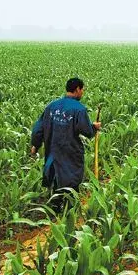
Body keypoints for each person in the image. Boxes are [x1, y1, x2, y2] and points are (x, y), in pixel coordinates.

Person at [31, 78, 101, 211]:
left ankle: (55, 206)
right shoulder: (79, 109)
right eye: (82, 90)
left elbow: (38, 128)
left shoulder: (52, 106)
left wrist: (35, 145)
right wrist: (94, 127)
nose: (83, 93)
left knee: (56, 174)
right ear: (77, 90)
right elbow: (86, 131)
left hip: (53, 149)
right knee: (71, 179)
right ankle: (70, 210)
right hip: (70, 151)